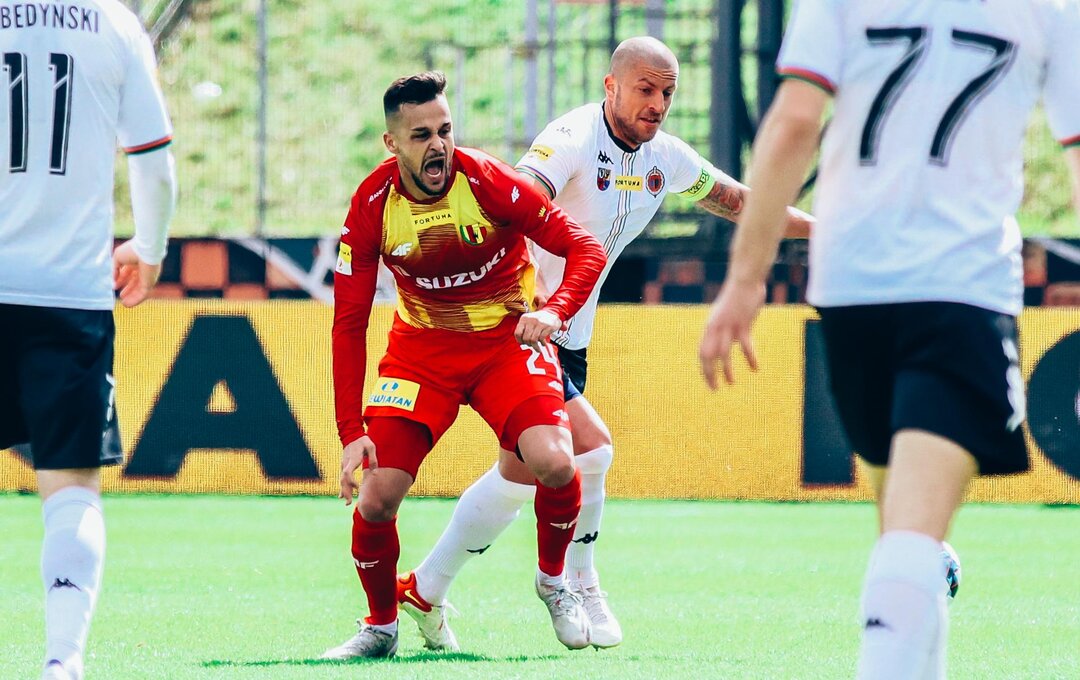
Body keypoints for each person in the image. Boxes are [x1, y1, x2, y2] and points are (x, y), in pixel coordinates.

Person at [699, 1, 1080, 678]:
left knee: (905, 536)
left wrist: (746, 278)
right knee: (911, 537)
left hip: (851, 292)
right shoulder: (1051, 10)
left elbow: (793, 124)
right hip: (960, 290)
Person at [396, 36, 814, 652]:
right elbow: (515, 200)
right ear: (611, 86)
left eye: (667, 92)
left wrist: (826, 232)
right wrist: (521, 286)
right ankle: (578, 582)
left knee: (521, 475)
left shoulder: (664, 157)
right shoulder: (568, 140)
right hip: (525, 328)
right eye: (645, 89)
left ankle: (425, 588)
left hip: (571, 338)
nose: (657, 104)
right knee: (591, 449)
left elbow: (743, 205)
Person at [322, 71, 609, 660]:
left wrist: (554, 310)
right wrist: (351, 432)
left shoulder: (488, 181)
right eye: (422, 135)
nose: (439, 146)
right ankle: (382, 627)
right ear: (392, 144)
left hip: (505, 344)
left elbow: (585, 247)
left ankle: (553, 581)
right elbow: (348, 323)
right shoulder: (373, 205)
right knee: (375, 500)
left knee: (558, 462)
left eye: (445, 130)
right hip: (421, 354)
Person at [0, 1, 177, 678]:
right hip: (68, 295)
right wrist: (150, 248)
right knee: (70, 487)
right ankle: (62, 662)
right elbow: (154, 164)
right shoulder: (114, 25)